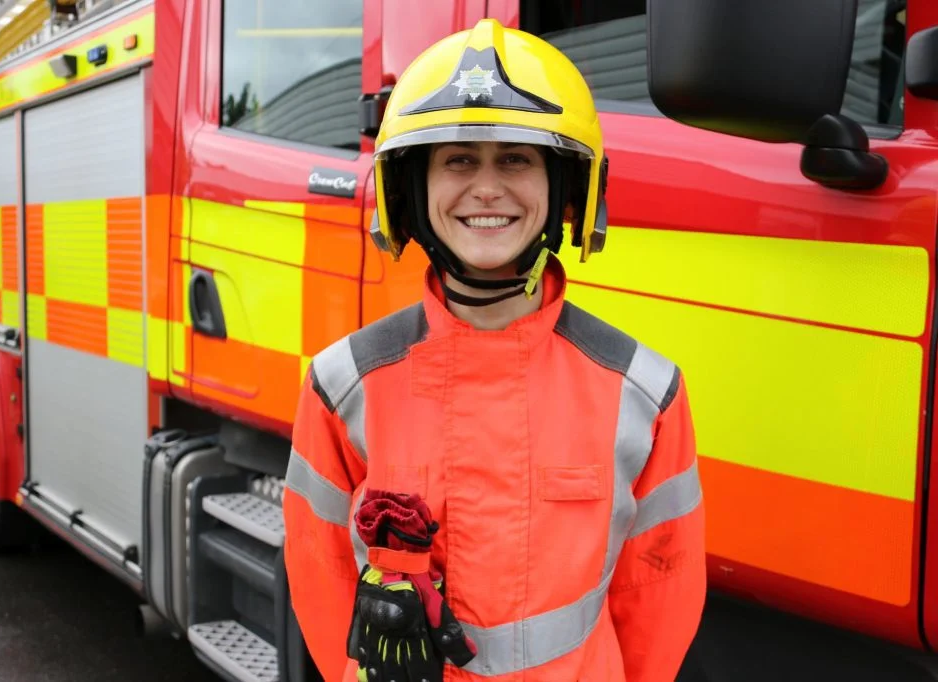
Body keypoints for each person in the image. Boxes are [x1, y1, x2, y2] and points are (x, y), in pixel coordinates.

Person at [283, 18, 706, 682]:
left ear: (566, 188)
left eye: (515, 157)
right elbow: (321, 574)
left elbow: (659, 594)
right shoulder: (343, 385)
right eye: (458, 159)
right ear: (411, 189)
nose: (486, 187)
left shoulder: (644, 393)